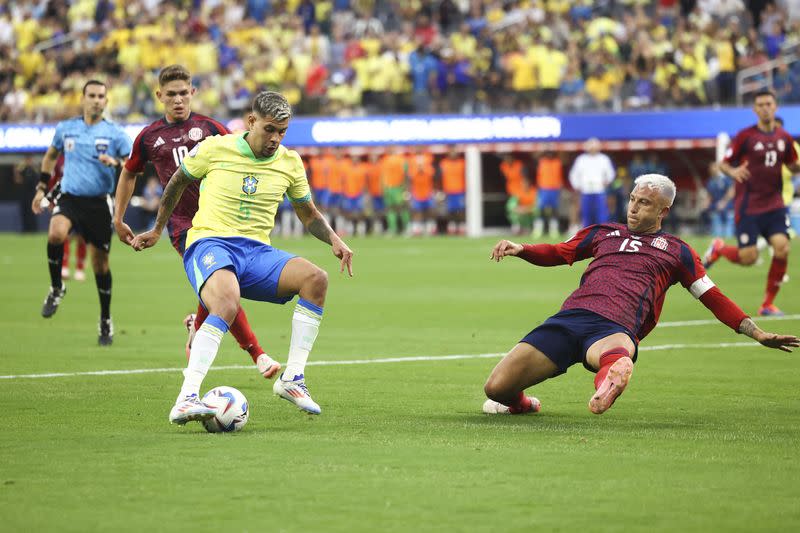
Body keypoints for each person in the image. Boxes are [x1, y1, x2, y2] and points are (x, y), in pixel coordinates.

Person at [482, 174, 799, 416]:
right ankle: (522, 405)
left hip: (614, 329)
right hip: (570, 319)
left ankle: (611, 380)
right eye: (632, 199)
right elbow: (558, 252)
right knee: (496, 388)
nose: (633, 207)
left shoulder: (678, 252)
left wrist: (756, 332)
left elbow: (711, 296)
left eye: (644, 203)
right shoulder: (604, 232)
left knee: (616, 355)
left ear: (664, 209)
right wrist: (521, 249)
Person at [131, 91, 354, 424]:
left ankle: (292, 379)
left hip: (256, 253)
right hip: (210, 243)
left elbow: (307, 214)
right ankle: (186, 397)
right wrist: (157, 228)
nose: (276, 139)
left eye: (282, 131)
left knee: (315, 279)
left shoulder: (289, 162)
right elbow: (177, 182)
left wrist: (334, 239)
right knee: (226, 300)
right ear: (251, 122)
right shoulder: (215, 148)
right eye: (269, 130)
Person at [113, 65, 277, 377]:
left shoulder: (211, 128)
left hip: (223, 221)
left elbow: (243, 155)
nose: (178, 99)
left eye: (183, 93)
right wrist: (118, 218)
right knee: (224, 286)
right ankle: (258, 354)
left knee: (221, 286)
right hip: (184, 227)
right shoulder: (149, 137)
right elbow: (129, 172)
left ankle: (196, 326)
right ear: (159, 96)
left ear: (193, 93)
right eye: (171, 94)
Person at [32, 79, 132, 345]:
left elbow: (135, 165)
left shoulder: (115, 134)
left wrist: (117, 162)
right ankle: (56, 288)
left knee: (100, 266)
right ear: (83, 98)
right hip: (70, 197)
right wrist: (42, 187)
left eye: (101, 96)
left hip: (99, 203)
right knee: (55, 234)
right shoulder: (67, 129)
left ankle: (105, 319)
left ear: (106, 101)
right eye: (92, 95)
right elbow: (51, 156)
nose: (97, 100)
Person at [703, 90, 800, 316]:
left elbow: (793, 165)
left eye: (769, 104)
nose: (765, 108)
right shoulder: (745, 136)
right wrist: (733, 171)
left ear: (775, 107)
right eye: (761, 104)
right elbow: (724, 164)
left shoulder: (785, 138)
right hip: (749, 206)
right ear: (755, 109)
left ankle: (767, 304)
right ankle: (719, 249)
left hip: (774, 204)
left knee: (783, 248)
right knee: (749, 257)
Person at [568, 137, 615, 227]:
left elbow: (610, 173)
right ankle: (587, 233)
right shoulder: (581, 159)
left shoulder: (603, 159)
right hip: (586, 191)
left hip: (599, 191)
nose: (593, 149)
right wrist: (576, 185)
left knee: (601, 215)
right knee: (586, 215)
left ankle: (602, 233)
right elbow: (573, 174)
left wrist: (607, 181)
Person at [439, 146, 466, 235]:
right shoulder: (444, 163)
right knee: (450, 210)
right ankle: (452, 226)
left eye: (454, 151)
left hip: (460, 190)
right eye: (451, 151)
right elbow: (440, 177)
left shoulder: (462, 163)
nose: (453, 153)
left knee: (461, 210)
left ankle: (462, 226)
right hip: (448, 191)